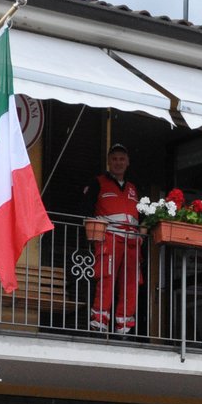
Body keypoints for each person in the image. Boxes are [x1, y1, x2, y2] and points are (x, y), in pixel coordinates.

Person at [85, 142, 141, 336]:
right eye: (115, 159)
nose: (118, 162)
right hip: (109, 237)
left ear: (128, 162)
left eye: (122, 159)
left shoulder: (133, 187)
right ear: (109, 161)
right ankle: (99, 321)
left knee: (131, 283)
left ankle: (124, 326)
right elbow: (85, 208)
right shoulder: (98, 182)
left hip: (132, 240)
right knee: (106, 279)